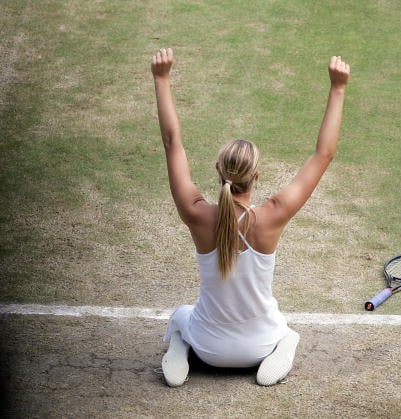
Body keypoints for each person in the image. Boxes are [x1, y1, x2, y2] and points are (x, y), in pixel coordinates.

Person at [151, 48, 350, 387]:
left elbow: (173, 143)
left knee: (182, 316)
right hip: (259, 345)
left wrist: (161, 78)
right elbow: (324, 154)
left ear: (218, 170)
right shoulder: (273, 216)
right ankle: (283, 348)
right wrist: (338, 88)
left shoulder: (197, 214)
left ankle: (181, 347)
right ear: (256, 176)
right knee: (286, 331)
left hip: (209, 348)